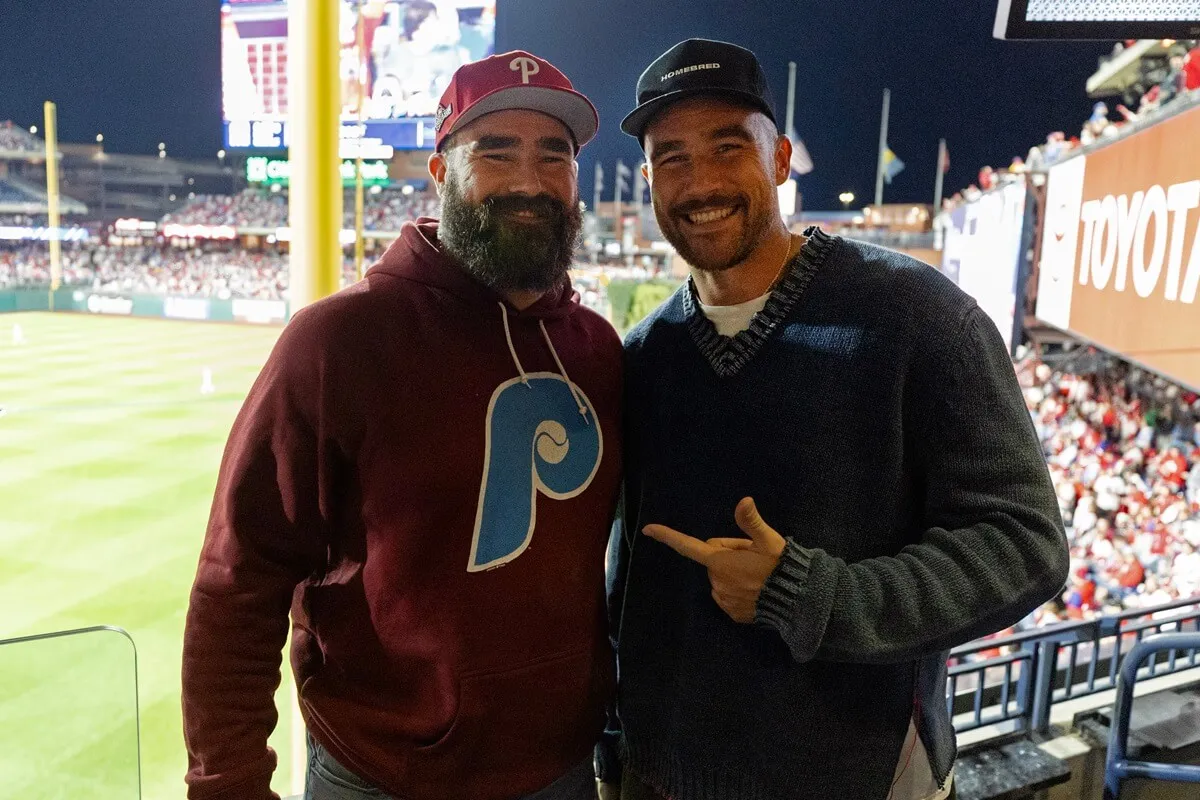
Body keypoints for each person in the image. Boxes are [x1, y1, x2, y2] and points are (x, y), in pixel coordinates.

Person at [600, 39, 1070, 800]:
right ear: (648, 178)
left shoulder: (919, 318)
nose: (702, 182)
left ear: (780, 159)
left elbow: (1025, 545)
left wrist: (808, 595)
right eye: (673, 158)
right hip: (665, 774)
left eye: (729, 147)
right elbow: (634, 583)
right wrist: (617, 746)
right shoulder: (645, 354)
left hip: (856, 773)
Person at [183, 51, 622, 800]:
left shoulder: (597, 350)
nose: (529, 180)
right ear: (440, 171)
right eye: (495, 151)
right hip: (383, 775)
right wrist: (227, 780)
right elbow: (239, 580)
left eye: (555, 154)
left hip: (561, 771)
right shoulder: (338, 342)